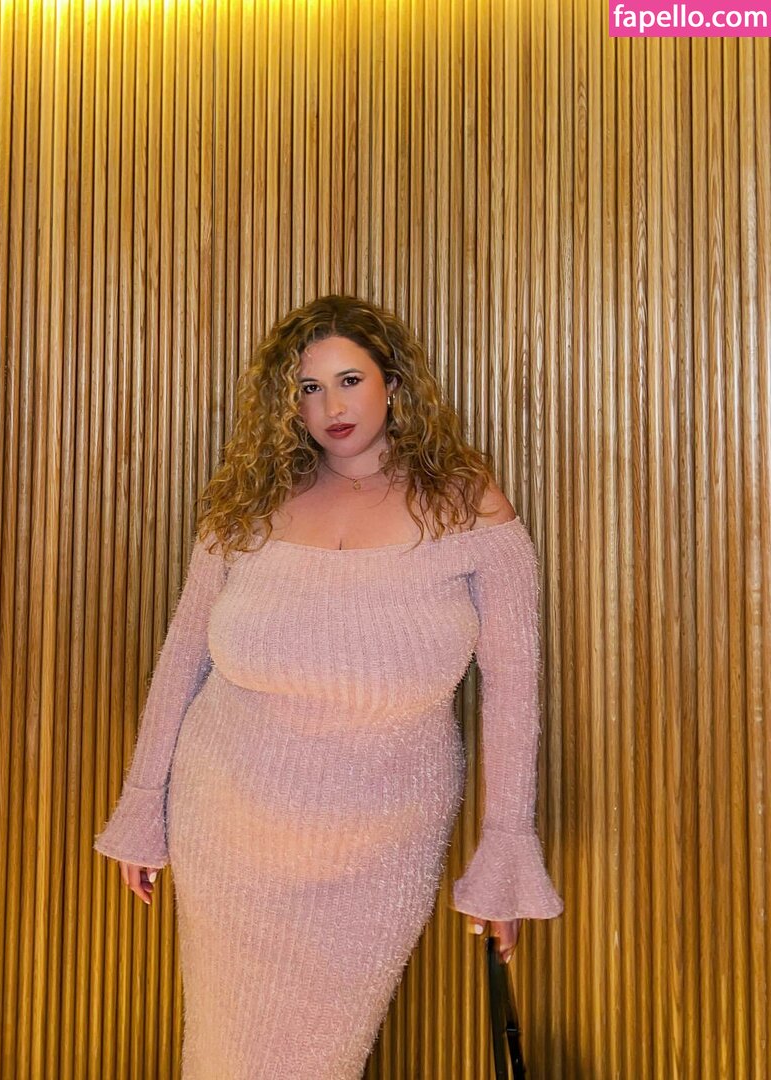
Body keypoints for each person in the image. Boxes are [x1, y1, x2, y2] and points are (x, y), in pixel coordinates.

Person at [94, 294, 564, 1079]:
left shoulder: (468, 504)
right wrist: (143, 804)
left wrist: (505, 851)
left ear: (394, 383)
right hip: (229, 823)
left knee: (323, 1057)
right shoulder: (247, 504)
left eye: (350, 380)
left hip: (380, 843)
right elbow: (183, 659)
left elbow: (515, 691)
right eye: (310, 388)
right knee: (222, 1052)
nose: (332, 407)